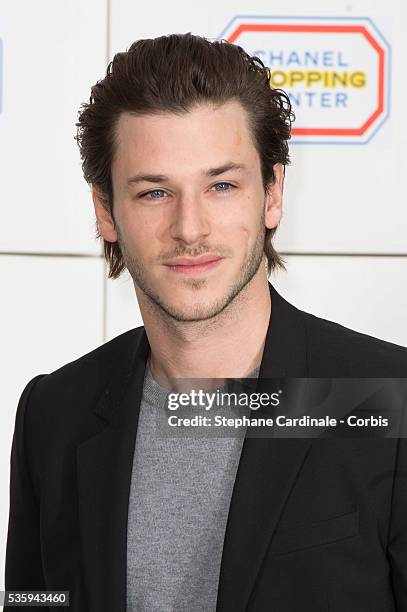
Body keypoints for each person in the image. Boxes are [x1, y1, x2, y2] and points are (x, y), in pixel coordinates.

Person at [4, 33, 407, 612]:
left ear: (271, 194)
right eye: (153, 192)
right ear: (105, 211)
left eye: (221, 185)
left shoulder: (387, 399)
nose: (189, 228)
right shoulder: (53, 415)